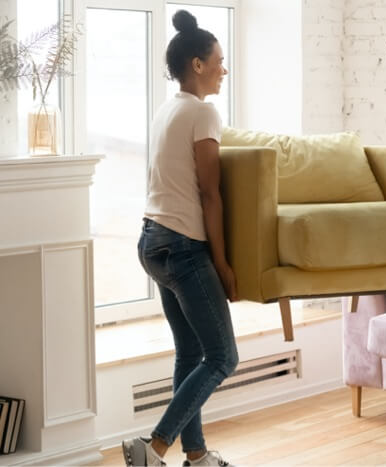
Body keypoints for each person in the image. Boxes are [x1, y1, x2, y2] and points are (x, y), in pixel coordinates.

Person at [121, 9, 237, 467]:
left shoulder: (168, 109)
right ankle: (154, 447)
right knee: (223, 356)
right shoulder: (203, 112)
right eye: (219, 61)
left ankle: (197, 455)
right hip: (184, 249)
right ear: (197, 64)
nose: (224, 69)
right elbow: (211, 194)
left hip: (152, 243)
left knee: (190, 353)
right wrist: (224, 264)